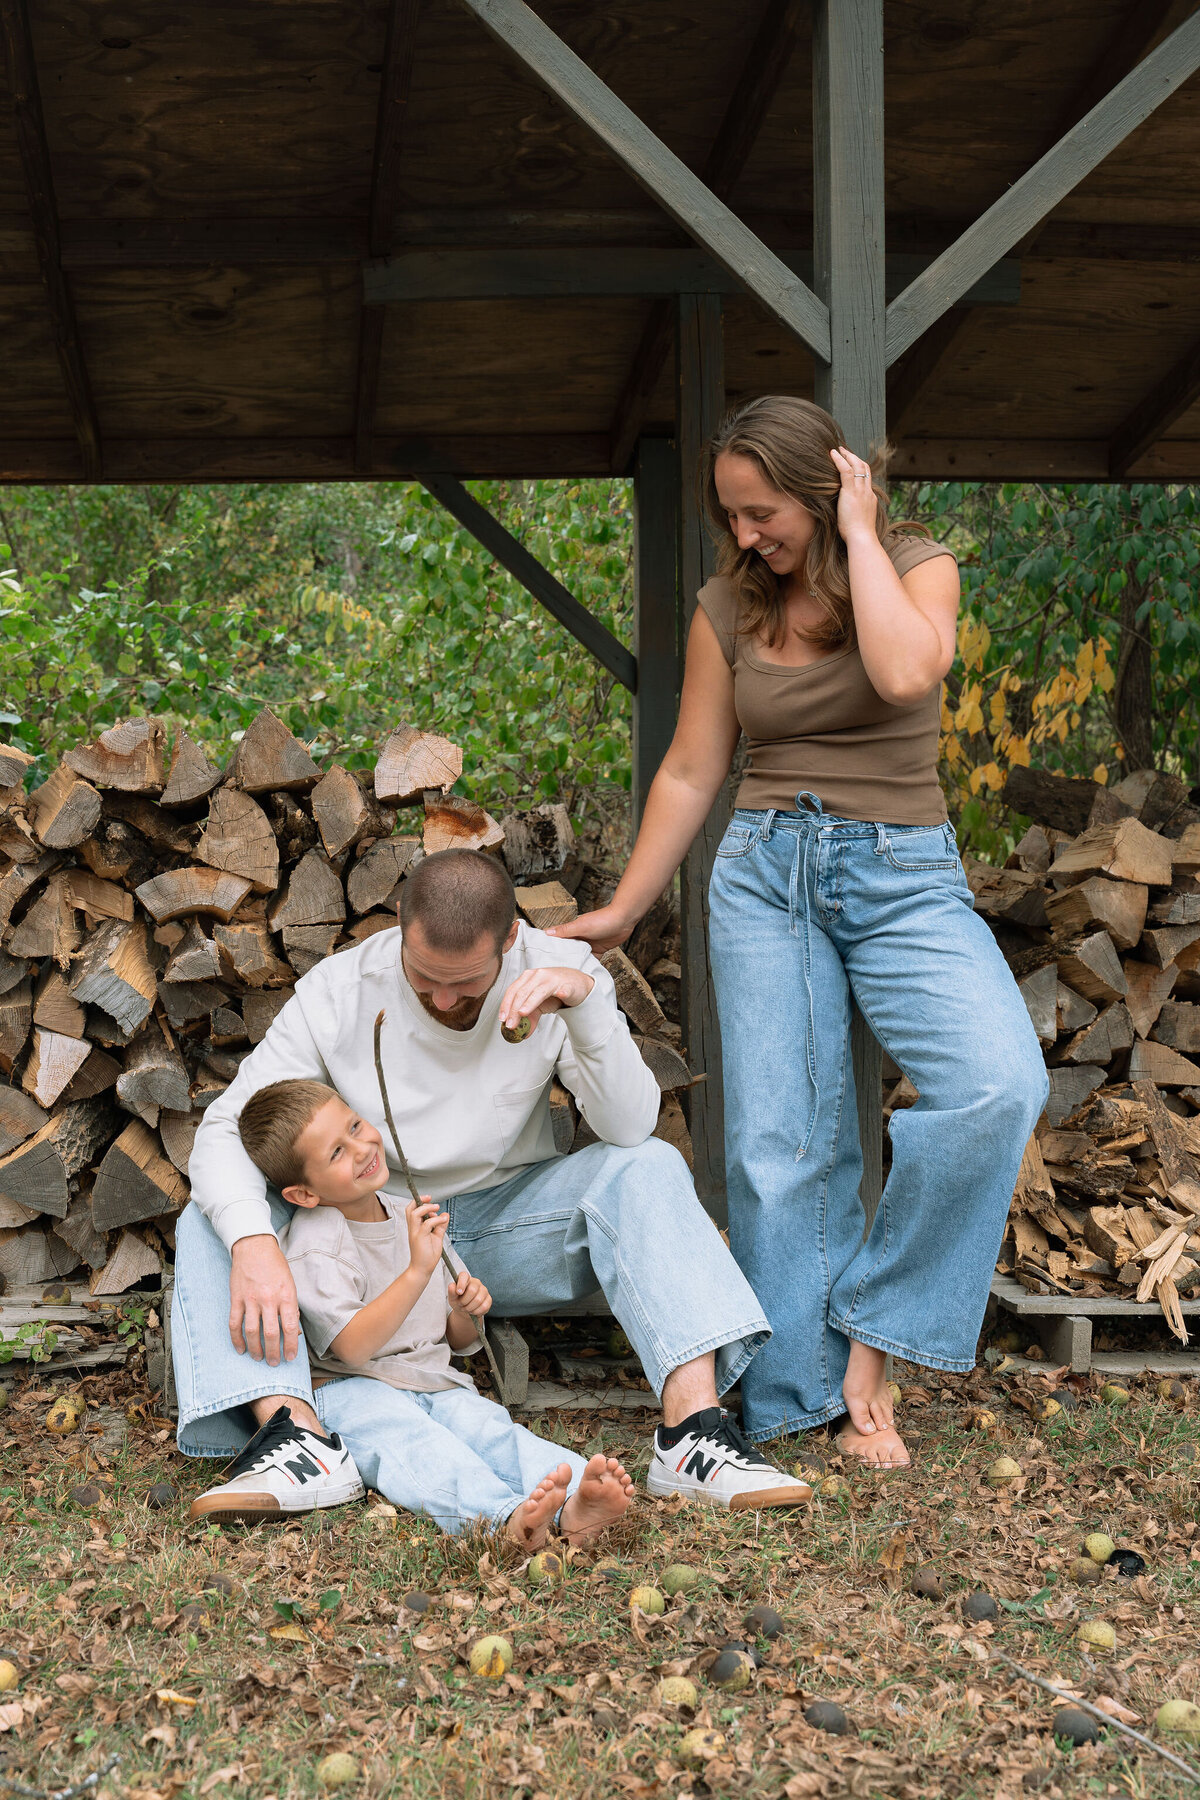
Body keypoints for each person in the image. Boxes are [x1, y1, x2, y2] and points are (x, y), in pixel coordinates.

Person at [552, 395, 1049, 1469]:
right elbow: (692, 767)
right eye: (730, 517)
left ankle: (876, 1331)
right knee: (782, 1149)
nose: (744, 536)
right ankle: (796, 1401)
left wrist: (861, 536)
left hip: (903, 873)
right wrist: (630, 904)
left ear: (826, 489)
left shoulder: (917, 565)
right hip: (765, 872)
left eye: (761, 511)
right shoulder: (726, 608)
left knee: (999, 1083)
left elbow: (909, 671)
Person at [175, 847, 815, 1515]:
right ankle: (294, 1440)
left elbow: (630, 1126)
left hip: (507, 1229)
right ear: (398, 925)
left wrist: (586, 1011)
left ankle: (691, 1438)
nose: (445, 1000)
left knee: (648, 1163)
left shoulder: (558, 972)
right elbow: (224, 1130)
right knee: (216, 1218)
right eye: (425, 978)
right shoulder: (339, 992)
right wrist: (253, 1245)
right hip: (372, 1240)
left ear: (511, 941)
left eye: (466, 982)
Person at [191, 1076, 634, 1542]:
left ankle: (578, 1502)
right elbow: (353, 1346)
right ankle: (501, 1518)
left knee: (491, 1432)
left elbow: (458, 1340)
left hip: (435, 1383)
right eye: (336, 1153)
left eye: (356, 1127)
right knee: (421, 1449)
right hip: (355, 1391)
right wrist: (416, 1273)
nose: (361, 1149)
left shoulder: (409, 1212)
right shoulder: (316, 1239)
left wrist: (467, 1311)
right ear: (304, 1193)